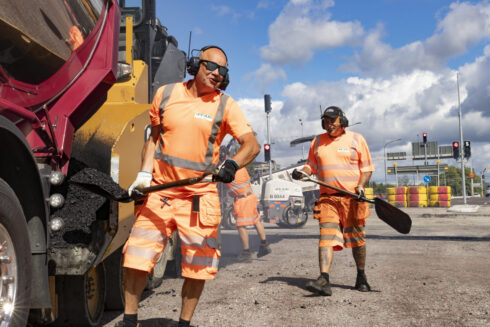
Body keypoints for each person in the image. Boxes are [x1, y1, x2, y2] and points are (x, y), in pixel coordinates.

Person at [118, 45, 260, 327]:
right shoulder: (166, 94)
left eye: (223, 71)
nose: (217, 74)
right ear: (196, 65)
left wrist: (231, 164)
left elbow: (252, 145)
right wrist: (144, 174)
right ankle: (130, 319)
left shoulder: (225, 104)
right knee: (136, 256)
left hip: (200, 195)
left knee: (198, 268)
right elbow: (153, 139)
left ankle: (184, 323)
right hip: (160, 192)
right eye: (211, 66)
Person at [292, 106, 374, 296]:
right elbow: (311, 165)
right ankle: (324, 279)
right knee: (326, 237)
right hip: (328, 199)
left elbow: (367, 168)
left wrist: (361, 186)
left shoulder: (357, 139)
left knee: (357, 240)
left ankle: (361, 276)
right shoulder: (317, 141)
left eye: (332, 120)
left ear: (341, 120)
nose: (328, 124)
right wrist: (302, 172)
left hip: (352, 199)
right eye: (326, 121)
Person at [219, 147, 271, 261]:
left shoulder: (227, 167)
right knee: (256, 220)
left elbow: (219, 178)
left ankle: (246, 252)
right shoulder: (237, 163)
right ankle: (264, 244)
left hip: (242, 200)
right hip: (250, 196)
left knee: (240, 225)